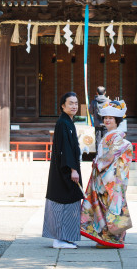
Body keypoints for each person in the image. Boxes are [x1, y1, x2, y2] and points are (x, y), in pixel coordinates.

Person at [80, 100, 133, 248]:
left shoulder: (116, 137)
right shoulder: (110, 135)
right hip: (105, 178)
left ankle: (113, 238)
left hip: (110, 179)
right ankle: (107, 238)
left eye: (111, 118)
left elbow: (110, 157)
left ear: (117, 120)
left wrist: (98, 163)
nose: (107, 120)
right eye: (106, 118)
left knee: (110, 208)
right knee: (104, 209)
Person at [42, 92, 83, 249]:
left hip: (68, 168)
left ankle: (65, 237)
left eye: (76, 103)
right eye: (70, 103)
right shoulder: (62, 123)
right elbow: (65, 149)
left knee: (70, 201)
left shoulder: (68, 122)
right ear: (63, 106)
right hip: (64, 171)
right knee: (63, 202)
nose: (74, 106)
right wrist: (73, 169)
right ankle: (59, 239)